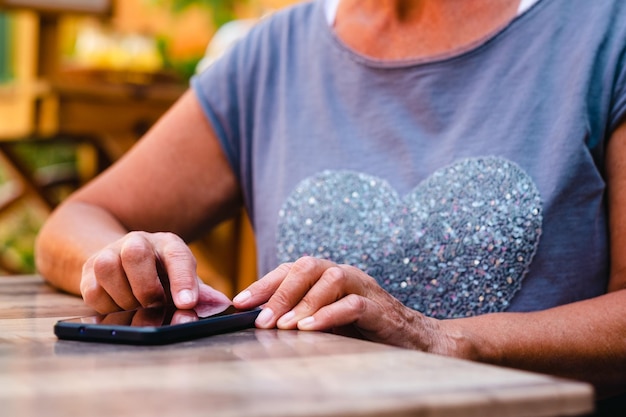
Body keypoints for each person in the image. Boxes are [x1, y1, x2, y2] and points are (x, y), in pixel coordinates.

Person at [35, 0, 626, 407]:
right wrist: (124, 258)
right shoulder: (271, 56)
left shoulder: (603, 34)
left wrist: (444, 340)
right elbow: (73, 221)